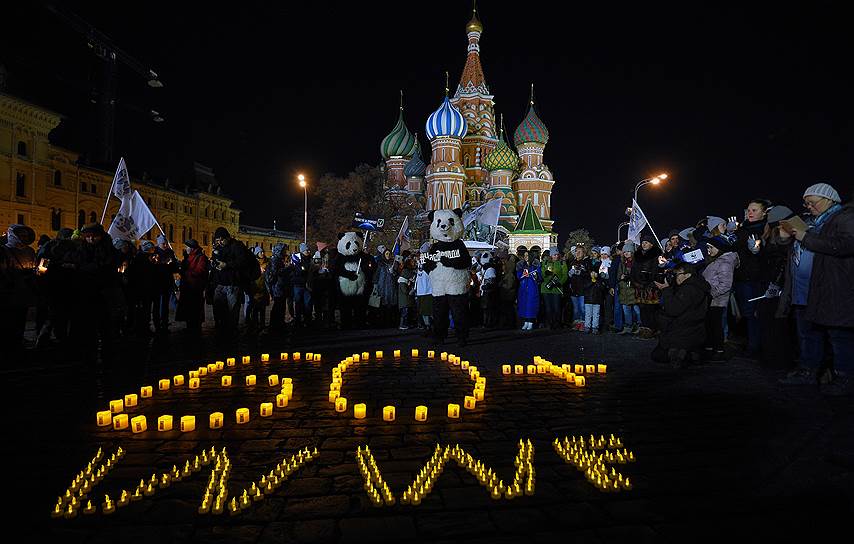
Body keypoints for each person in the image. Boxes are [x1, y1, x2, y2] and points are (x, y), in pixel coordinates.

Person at [784, 183, 854, 395]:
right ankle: (809, 370)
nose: (809, 206)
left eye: (812, 202)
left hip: (836, 287)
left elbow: (846, 245)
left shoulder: (845, 217)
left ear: (829, 199)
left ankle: (845, 378)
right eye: (806, 203)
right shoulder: (815, 221)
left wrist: (805, 237)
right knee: (811, 332)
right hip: (812, 288)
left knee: (839, 335)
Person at [72, 223, 121, 361]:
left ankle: (107, 353)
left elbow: (106, 267)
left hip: (105, 293)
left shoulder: (109, 250)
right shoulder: (81, 250)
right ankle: (88, 351)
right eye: (88, 237)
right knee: (88, 325)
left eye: (94, 237)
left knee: (105, 324)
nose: (91, 239)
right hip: (87, 293)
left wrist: (85, 268)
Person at [651, 262, 711, 367]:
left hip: (683, 330)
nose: (675, 277)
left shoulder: (688, 289)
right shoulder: (698, 285)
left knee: (658, 356)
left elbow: (673, 309)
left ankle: (684, 354)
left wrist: (666, 290)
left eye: (677, 274)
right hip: (694, 328)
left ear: (687, 275)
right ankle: (690, 352)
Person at [733, 198, 772, 357]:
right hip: (742, 277)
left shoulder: (767, 228)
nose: (750, 212)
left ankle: (758, 347)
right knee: (748, 314)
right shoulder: (742, 229)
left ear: (764, 212)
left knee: (757, 313)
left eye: (754, 210)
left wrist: (758, 250)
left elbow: (770, 254)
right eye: (748, 210)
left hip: (758, 278)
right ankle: (752, 344)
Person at [209, 226, 251, 343]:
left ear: (227, 237)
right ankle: (221, 329)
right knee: (218, 309)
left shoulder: (237, 246)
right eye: (217, 240)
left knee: (232, 310)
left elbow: (242, 262)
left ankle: (232, 333)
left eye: (222, 240)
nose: (220, 242)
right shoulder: (218, 248)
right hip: (219, 284)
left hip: (232, 284)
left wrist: (227, 265)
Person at [0, 224, 37, 351]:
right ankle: (8, 344)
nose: (23, 238)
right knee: (8, 320)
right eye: (21, 235)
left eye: (26, 235)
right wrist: (17, 276)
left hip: (25, 292)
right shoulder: (4, 251)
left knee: (21, 319)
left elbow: (35, 267)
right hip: (10, 293)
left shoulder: (30, 251)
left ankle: (18, 341)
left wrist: (35, 273)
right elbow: (3, 272)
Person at [702, 236, 739, 361]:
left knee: (716, 326)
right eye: (707, 247)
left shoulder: (725, 263)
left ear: (719, 248)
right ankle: (710, 348)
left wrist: (711, 294)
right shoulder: (717, 260)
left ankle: (718, 350)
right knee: (710, 325)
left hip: (716, 300)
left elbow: (725, 285)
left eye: (711, 247)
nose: (708, 250)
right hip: (711, 299)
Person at [39, 228, 77, 346]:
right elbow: (43, 266)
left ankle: (59, 338)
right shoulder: (51, 246)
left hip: (65, 285)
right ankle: (44, 339)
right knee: (53, 315)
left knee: (60, 315)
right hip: (54, 285)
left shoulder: (73, 247)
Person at [631, 234, 662, 338]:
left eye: (646, 242)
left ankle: (653, 329)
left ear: (651, 244)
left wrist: (648, 280)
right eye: (643, 242)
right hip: (639, 286)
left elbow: (656, 271)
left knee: (651, 309)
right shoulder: (637, 255)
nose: (644, 244)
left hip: (650, 286)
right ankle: (645, 329)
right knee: (642, 308)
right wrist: (635, 281)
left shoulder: (656, 255)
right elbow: (633, 270)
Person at [176, 239, 209, 335]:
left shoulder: (201, 257)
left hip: (195, 288)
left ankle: (196, 329)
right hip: (187, 288)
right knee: (188, 310)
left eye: (187, 247)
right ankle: (189, 327)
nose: (185, 249)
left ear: (192, 248)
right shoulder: (187, 257)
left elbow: (200, 271)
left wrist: (186, 273)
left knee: (195, 310)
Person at [152, 234, 178, 333]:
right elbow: (153, 267)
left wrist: (172, 264)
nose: (166, 245)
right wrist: (162, 264)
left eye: (166, 243)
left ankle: (164, 324)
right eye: (163, 243)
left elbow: (175, 267)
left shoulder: (170, 252)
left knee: (165, 305)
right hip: (157, 283)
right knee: (157, 305)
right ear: (159, 244)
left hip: (167, 282)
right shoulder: (154, 252)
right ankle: (157, 325)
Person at [617, 242, 641, 334]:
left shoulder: (636, 263)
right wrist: (621, 277)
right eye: (625, 251)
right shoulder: (622, 263)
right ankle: (628, 326)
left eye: (628, 251)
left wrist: (629, 276)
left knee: (637, 310)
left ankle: (639, 326)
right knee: (626, 309)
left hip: (633, 289)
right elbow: (618, 276)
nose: (626, 253)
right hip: (624, 289)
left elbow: (638, 276)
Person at [266, 243, 290, 333]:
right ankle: (275, 325)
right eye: (283, 250)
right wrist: (288, 269)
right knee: (278, 306)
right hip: (277, 287)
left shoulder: (279, 259)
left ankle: (279, 323)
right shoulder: (275, 260)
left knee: (281, 305)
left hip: (280, 286)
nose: (285, 251)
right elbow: (275, 272)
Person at [540, 249, 567, 329]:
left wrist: (560, 282)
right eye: (554, 255)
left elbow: (565, 275)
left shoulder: (562, 263)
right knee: (548, 308)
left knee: (557, 307)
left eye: (557, 254)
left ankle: (557, 323)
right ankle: (549, 323)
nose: (556, 256)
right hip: (546, 288)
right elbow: (542, 275)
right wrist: (545, 274)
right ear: (550, 255)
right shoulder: (545, 263)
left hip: (557, 288)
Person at [516, 251, 541, 330]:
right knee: (524, 304)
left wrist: (536, 276)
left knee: (531, 305)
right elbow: (519, 276)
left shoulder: (535, 265)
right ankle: (525, 321)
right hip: (523, 287)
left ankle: (531, 322)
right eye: (524, 255)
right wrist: (522, 275)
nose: (526, 257)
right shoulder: (521, 265)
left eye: (527, 255)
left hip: (532, 287)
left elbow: (539, 277)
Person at [290, 242, 314, 327]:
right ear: (302, 251)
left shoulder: (310, 259)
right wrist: (304, 269)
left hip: (307, 285)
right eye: (306, 250)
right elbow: (299, 270)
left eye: (308, 249)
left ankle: (308, 320)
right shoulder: (296, 258)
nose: (308, 251)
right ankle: (298, 320)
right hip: (298, 285)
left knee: (308, 303)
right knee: (298, 303)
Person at [567, 245, 589, 329]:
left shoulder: (586, 262)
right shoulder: (572, 262)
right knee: (576, 309)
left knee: (582, 308)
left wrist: (582, 272)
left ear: (584, 253)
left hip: (582, 289)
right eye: (576, 251)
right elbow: (568, 276)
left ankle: (583, 323)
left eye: (580, 252)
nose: (578, 253)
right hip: (573, 289)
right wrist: (570, 274)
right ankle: (576, 323)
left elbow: (589, 275)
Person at [397, 253, 416, 330]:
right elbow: (405, 290)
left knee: (406, 313)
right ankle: (402, 325)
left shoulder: (405, 279)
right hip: (405, 301)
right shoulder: (403, 280)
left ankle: (406, 324)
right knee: (404, 314)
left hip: (406, 300)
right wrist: (410, 290)